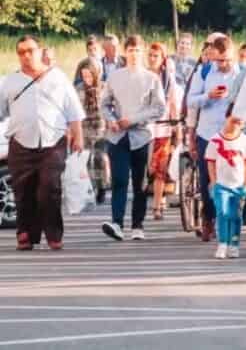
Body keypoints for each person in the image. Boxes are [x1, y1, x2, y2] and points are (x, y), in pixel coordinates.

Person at [1, 36, 85, 250]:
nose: (26, 56)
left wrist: (78, 135)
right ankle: (26, 234)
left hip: (53, 141)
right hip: (20, 142)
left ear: (40, 51)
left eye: (30, 50)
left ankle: (53, 234)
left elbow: (73, 109)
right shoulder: (10, 81)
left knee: (49, 187)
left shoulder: (57, 77)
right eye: (21, 52)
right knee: (23, 191)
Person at [100, 35, 167, 242]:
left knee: (140, 182)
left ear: (142, 53)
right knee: (120, 179)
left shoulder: (151, 78)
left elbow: (159, 108)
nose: (134, 54)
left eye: (138, 50)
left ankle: (137, 224)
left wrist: (134, 119)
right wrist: (111, 119)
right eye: (131, 50)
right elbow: (104, 104)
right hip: (117, 136)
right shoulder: (115, 77)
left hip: (141, 136)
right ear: (125, 53)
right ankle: (117, 223)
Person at [186, 36, 245, 242]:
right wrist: (208, 96)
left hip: (231, 135)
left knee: (232, 179)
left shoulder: (241, 73)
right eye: (219, 61)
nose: (223, 65)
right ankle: (208, 219)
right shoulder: (204, 72)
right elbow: (190, 100)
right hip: (208, 134)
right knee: (207, 181)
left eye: (227, 60)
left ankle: (230, 221)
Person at [205, 115, 246, 258]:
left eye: (240, 121)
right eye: (234, 120)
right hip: (221, 185)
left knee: (236, 216)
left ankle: (234, 244)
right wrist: (214, 182)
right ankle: (222, 243)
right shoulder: (216, 139)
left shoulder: (245, 140)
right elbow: (211, 163)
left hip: (238, 186)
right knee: (222, 212)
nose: (237, 123)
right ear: (226, 118)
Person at [147, 42, 181, 221]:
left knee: (160, 167)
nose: (152, 59)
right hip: (145, 127)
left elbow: (173, 101)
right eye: (150, 55)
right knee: (149, 167)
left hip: (163, 126)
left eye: (156, 56)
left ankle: (157, 206)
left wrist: (176, 125)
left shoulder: (168, 78)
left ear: (162, 59)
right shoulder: (142, 76)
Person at [75, 58, 109, 204]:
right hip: (84, 127)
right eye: (84, 76)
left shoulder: (104, 87)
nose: (86, 79)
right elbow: (75, 111)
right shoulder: (78, 90)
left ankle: (103, 186)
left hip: (101, 127)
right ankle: (91, 187)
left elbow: (109, 107)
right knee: (87, 159)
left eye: (89, 75)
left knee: (100, 158)